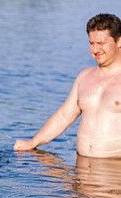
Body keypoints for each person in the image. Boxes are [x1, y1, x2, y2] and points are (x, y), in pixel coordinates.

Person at [14, 13, 121, 158]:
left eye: (101, 44)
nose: (95, 50)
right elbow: (64, 116)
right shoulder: (84, 77)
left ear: (119, 41)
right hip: (80, 168)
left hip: (113, 170)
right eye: (91, 43)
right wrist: (33, 143)